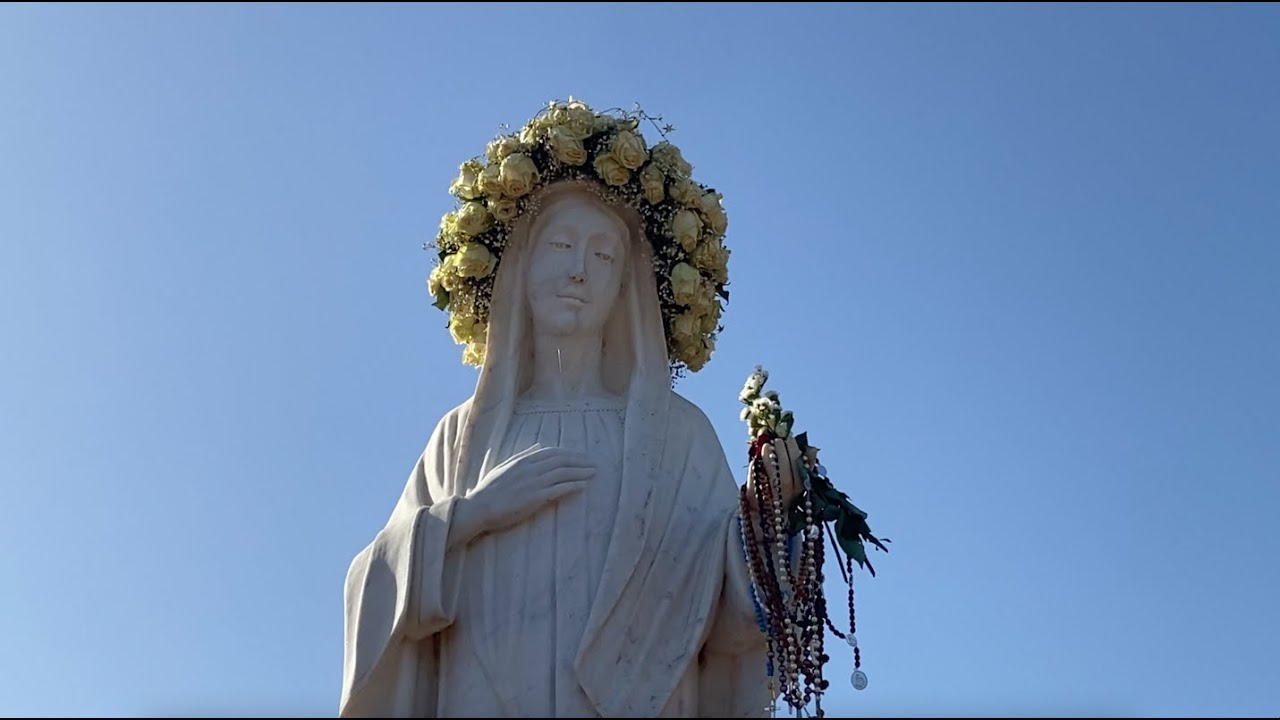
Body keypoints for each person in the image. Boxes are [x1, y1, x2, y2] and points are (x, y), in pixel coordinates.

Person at [338, 179, 788, 717]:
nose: (580, 270)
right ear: (521, 270)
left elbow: (728, 605)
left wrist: (771, 515)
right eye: (560, 246)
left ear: (626, 285)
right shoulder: (463, 435)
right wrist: (470, 516)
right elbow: (374, 582)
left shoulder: (678, 435)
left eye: (604, 255)